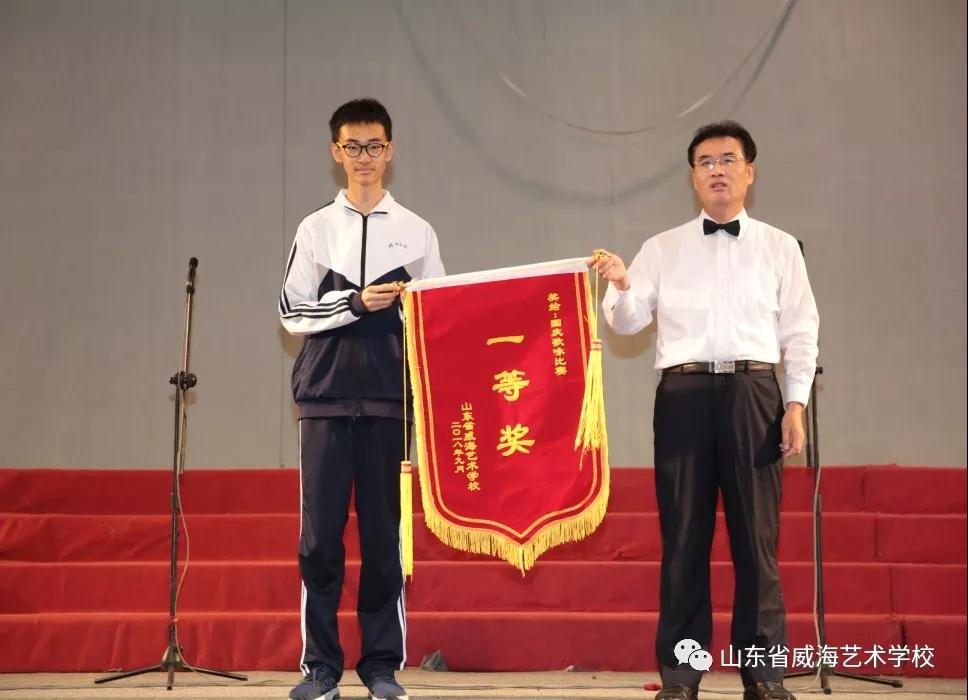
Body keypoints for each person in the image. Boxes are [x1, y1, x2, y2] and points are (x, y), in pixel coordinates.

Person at [589, 121, 819, 700]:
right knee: (684, 538)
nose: (717, 170)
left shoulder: (780, 247)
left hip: (754, 394)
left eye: (728, 159)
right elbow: (626, 322)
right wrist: (621, 283)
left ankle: (764, 676)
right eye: (705, 162)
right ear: (692, 177)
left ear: (750, 172)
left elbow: (801, 332)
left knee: (756, 543)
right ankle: (681, 676)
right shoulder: (661, 248)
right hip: (684, 397)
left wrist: (794, 405)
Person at [279, 97, 445, 700]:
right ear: (336, 152)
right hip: (324, 400)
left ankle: (380, 666)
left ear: (390, 151)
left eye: (374, 146)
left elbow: (438, 319)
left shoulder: (416, 231)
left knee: (383, 540)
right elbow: (290, 311)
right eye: (353, 146)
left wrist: (405, 310)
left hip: (388, 405)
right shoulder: (315, 229)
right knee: (320, 541)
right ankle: (321, 667)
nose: (364, 157)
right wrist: (354, 302)